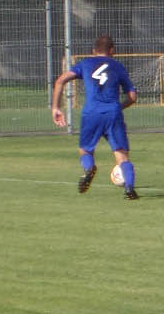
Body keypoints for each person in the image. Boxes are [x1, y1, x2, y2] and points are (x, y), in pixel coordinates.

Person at [52, 33, 140, 198]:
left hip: (91, 112)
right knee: (122, 155)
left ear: (94, 50)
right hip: (113, 112)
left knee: (85, 150)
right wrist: (118, 107)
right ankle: (130, 188)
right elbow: (133, 97)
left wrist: (56, 107)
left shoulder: (85, 64)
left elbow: (60, 81)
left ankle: (89, 168)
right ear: (112, 50)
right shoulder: (118, 66)